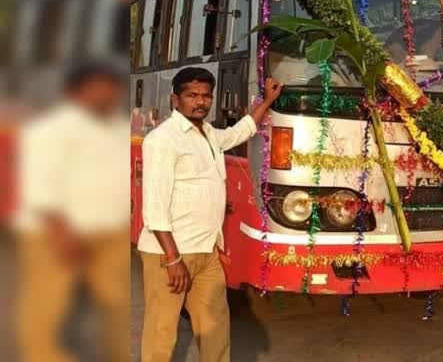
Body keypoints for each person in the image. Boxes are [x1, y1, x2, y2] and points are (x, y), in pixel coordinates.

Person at [138, 67, 283, 362]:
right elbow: (154, 207)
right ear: (175, 99)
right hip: (170, 255)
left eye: (206, 96)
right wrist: (173, 259)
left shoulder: (208, 133)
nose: (200, 102)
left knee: (215, 330)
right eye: (192, 95)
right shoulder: (163, 140)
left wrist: (266, 103)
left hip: (206, 252)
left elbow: (239, 132)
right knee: (161, 336)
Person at [15, 60, 129, 362]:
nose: (107, 94)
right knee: (48, 306)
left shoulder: (117, 127)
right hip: (52, 232)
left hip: (107, 232)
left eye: (111, 88)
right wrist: (61, 234)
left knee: (116, 306)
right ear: (77, 91)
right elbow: (40, 186)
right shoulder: (51, 130)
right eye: (99, 88)